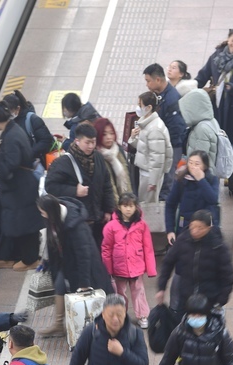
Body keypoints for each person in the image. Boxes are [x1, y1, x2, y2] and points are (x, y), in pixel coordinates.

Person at [36, 195, 114, 337]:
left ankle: (100, 329)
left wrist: (84, 283)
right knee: (59, 286)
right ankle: (59, 324)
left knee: (89, 298)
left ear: (51, 211)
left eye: (43, 212)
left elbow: (84, 255)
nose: (41, 215)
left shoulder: (76, 226)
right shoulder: (53, 218)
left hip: (83, 268)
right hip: (64, 262)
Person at [0, 101, 43, 271]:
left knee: (25, 225)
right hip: (19, 186)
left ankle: (30, 259)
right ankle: (10, 256)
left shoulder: (11, 137)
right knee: (15, 223)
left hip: (20, 187)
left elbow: (8, 166)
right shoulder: (13, 130)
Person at [45, 123, 115, 248]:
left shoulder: (98, 158)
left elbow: (106, 184)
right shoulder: (63, 163)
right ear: (77, 141)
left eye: (93, 142)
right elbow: (50, 187)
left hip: (98, 218)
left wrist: (108, 209)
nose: (91, 146)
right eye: (87, 142)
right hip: (77, 221)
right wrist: (74, 191)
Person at [156, 209, 233, 314]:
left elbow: (228, 276)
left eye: (200, 228)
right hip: (186, 297)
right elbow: (168, 262)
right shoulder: (183, 240)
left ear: (209, 228)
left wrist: (221, 301)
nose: (195, 231)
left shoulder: (218, 246)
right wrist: (162, 287)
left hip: (210, 300)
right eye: (192, 227)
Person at [101, 193, 157, 329]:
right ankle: (121, 315)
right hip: (118, 267)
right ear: (119, 207)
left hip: (136, 265)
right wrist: (108, 269)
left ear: (136, 207)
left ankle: (142, 315)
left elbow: (148, 247)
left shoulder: (142, 225)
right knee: (119, 293)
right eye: (125, 206)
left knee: (139, 291)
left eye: (131, 206)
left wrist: (151, 269)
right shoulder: (111, 226)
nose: (128, 209)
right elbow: (106, 248)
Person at [195, 28, 233, 145]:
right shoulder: (216, 56)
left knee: (231, 141)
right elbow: (203, 75)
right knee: (212, 137)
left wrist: (232, 88)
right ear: (228, 40)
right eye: (232, 40)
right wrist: (192, 88)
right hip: (214, 104)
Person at [143, 63, 187, 200]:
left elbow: (176, 129)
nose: (147, 84)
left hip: (173, 146)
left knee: (168, 180)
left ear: (158, 80)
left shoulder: (171, 99)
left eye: (148, 81)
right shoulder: (159, 94)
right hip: (164, 145)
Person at [127, 91, 173, 203]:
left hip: (150, 175)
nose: (138, 108)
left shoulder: (154, 129)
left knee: (148, 206)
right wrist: (133, 138)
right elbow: (144, 148)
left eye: (140, 105)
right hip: (147, 172)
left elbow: (157, 158)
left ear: (148, 107)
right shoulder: (146, 123)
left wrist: (153, 182)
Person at [165, 151, 220, 243]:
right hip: (185, 226)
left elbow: (213, 200)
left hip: (205, 228)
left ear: (205, 166)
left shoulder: (212, 180)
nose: (193, 166)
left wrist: (201, 180)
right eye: (190, 163)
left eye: (197, 164)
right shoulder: (181, 179)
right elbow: (170, 204)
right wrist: (170, 230)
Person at [2, 90, 54, 165]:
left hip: (39, 163)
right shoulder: (10, 121)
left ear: (18, 108)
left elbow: (46, 140)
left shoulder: (33, 119)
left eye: (10, 111)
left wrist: (29, 153)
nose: (8, 114)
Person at [178, 89, 221, 171]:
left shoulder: (201, 128)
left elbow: (199, 159)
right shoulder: (211, 121)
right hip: (207, 173)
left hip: (201, 175)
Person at [94, 118, 133, 203]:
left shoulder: (118, 150)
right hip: (107, 204)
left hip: (126, 203)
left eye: (111, 133)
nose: (109, 137)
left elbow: (128, 177)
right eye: (104, 134)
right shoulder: (96, 155)